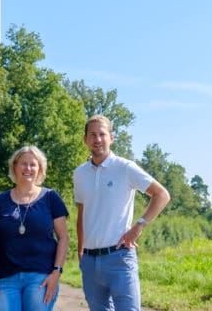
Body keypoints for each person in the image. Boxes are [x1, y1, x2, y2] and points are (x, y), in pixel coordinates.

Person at [73, 115, 171, 311]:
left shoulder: (125, 168)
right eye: (92, 135)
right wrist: (81, 251)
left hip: (119, 257)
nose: (97, 139)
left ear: (111, 137)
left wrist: (139, 225)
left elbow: (161, 195)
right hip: (90, 262)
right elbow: (82, 213)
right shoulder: (79, 174)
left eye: (102, 134)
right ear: (85, 140)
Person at [0, 145, 69, 311]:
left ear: (40, 169)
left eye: (33, 164)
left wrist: (56, 273)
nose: (28, 168)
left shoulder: (51, 198)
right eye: (23, 163)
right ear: (15, 166)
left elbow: (64, 237)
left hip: (40, 277)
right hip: (5, 280)